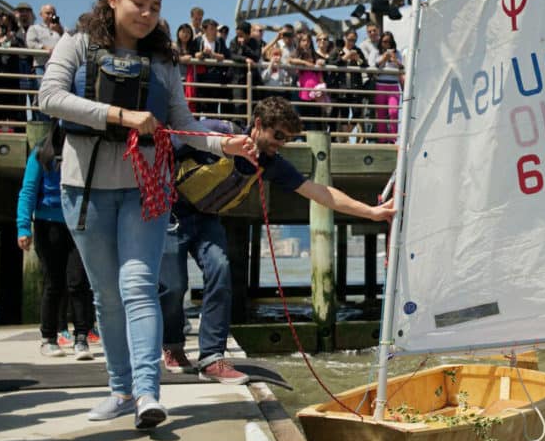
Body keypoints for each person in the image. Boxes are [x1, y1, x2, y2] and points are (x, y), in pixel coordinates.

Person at [38, 0, 258, 430]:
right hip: (85, 187)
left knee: (139, 287)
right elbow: (50, 98)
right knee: (107, 295)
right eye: (139, 3)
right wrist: (118, 115)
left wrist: (224, 145)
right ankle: (119, 389)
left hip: (147, 187)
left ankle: (147, 393)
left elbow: (182, 121)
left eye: (155, 7)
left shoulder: (163, 62)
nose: (147, 13)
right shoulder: (76, 45)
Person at [159, 96, 395, 381]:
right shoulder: (216, 131)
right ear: (258, 125)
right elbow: (162, 148)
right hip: (169, 210)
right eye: (278, 135)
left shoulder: (271, 163)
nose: (281, 143)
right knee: (173, 286)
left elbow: (320, 192)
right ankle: (172, 346)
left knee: (220, 270)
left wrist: (370, 211)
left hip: (207, 218)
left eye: (288, 139)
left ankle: (212, 358)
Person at [17, 120, 96, 359]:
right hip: (47, 224)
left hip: (79, 224)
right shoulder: (41, 153)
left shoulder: (86, 152)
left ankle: (82, 336)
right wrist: (23, 227)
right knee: (54, 283)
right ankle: (49, 337)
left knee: (78, 281)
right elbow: (28, 190)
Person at [374, 30, 404, 142]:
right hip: (380, 85)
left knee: (393, 112)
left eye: (389, 42)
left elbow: (402, 68)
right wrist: (384, 59)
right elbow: (374, 69)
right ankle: (382, 139)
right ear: (381, 42)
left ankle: (392, 139)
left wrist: (394, 59)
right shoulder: (376, 53)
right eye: (384, 41)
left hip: (393, 86)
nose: (387, 44)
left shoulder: (397, 53)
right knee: (381, 114)